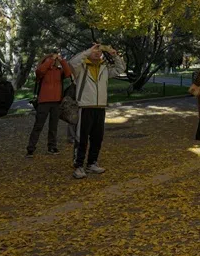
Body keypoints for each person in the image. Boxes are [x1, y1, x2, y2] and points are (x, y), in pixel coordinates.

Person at [68, 43, 126, 179]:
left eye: (99, 51)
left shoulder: (104, 68)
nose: (97, 53)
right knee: (81, 138)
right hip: (85, 106)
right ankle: (78, 165)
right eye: (94, 50)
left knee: (97, 137)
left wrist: (115, 55)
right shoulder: (81, 67)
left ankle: (92, 163)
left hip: (100, 107)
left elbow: (120, 68)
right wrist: (88, 51)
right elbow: (71, 63)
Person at [27, 51, 72, 157]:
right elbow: (40, 70)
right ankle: (30, 148)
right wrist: (50, 59)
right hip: (43, 102)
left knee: (53, 126)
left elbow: (68, 73)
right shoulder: (42, 72)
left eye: (55, 60)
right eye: (53, 60)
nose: (54, 62)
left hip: (56, 102)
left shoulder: (59, 71)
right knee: (38, 126)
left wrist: (62, 60)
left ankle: (52, 147)